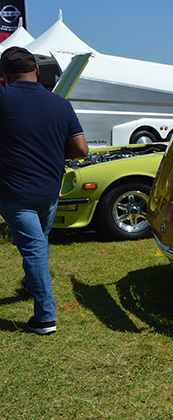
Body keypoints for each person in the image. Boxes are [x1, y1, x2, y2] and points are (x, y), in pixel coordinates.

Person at [0, 47, 88, 335]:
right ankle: (30, 283)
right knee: (38, 243)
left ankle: (45, 318)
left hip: (15, 191)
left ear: (5, 76)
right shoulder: (60, 104)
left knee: (34, 249)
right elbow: (80, 149)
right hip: (50, 189)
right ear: (37, 71)